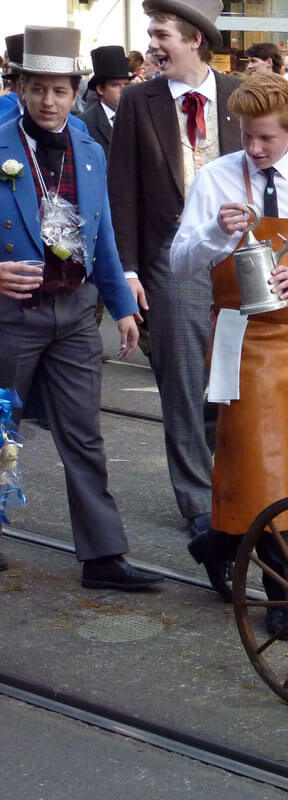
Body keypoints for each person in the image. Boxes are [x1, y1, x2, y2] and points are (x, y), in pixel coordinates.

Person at [171, 72, 288, 634]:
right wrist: (214, 236)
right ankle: (281, 589)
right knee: (258, 459)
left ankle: (215, 542)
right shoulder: (216, 178)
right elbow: (179, 262)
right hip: (239, 344)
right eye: (247, 136)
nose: (253, 149)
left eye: (266, 138)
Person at [0, 25, 162, 591]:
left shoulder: (90, 151)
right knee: (1, 429)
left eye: (60, 90)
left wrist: (122, 307)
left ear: (77, 93)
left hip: (74, 312)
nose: (49, 101)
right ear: (20, 88)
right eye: (37, 88)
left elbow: (105, 239)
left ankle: (103, 557)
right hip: (11, 314)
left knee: (84, 435)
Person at [108, 0, 242, 542]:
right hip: (170, 259)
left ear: (193, 39)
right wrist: (129, 270)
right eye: (150, 33)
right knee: (183, 381)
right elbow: (123, 191)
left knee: (230, 380)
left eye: (160, 34)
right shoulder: (140, 101)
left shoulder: (238, 96)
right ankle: (197, 503)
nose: (152, 44)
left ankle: (232, 482)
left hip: (237, 257)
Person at [80, 46, 132, 157]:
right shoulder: (84, 123)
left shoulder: (137, 117)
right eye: (115, 85)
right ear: (100, 89)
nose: (123, 90)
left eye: (126, 84)